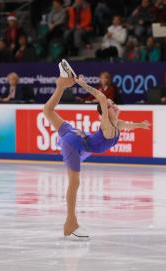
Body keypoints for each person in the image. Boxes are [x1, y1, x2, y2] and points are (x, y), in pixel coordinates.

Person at [42, 60, 150, 238]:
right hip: (74, 143)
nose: (113, 105)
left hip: (78, 135)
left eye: (112, 103)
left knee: (48, 111)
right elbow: (100, 98)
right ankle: (70, 223)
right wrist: (82, 84)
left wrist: (140, 125)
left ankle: (60, 85)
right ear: (104, 114)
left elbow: (127, 125)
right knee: (74, 183)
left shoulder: (116, 124)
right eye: (109, 106)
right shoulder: (107, 126)